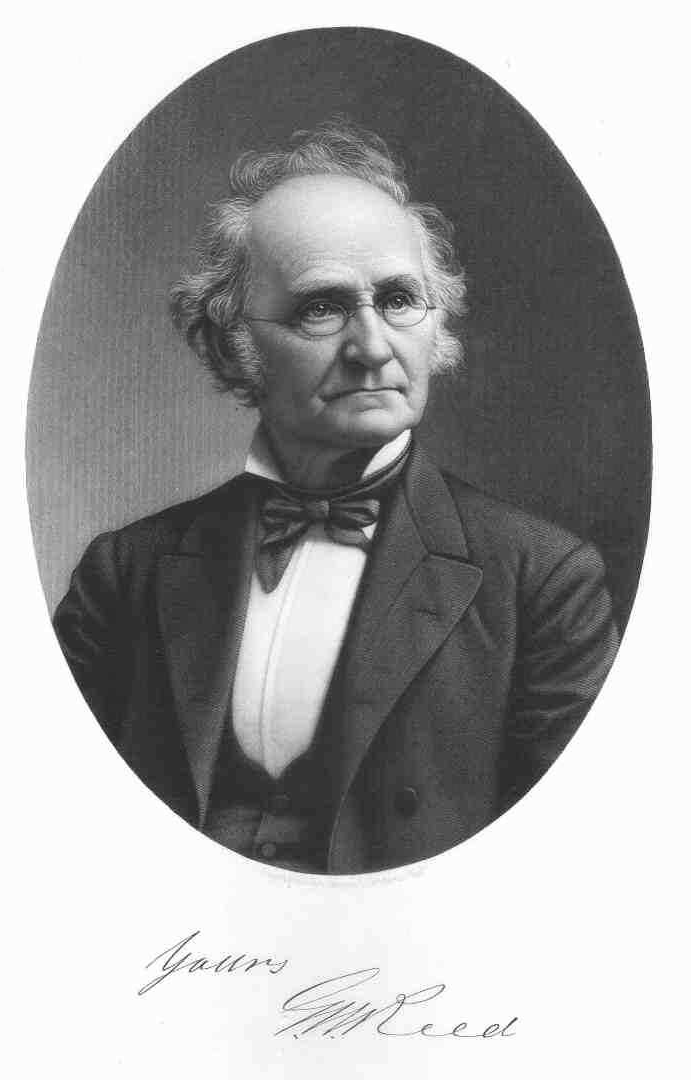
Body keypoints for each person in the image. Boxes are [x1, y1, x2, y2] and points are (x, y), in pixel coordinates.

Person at [54, 120, 619, 874]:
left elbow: (568, 859)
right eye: (321, 308)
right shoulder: (123, 573)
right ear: (230, 343)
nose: (373, 347)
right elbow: (47, 815)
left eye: (399, 300)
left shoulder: (542, 580)